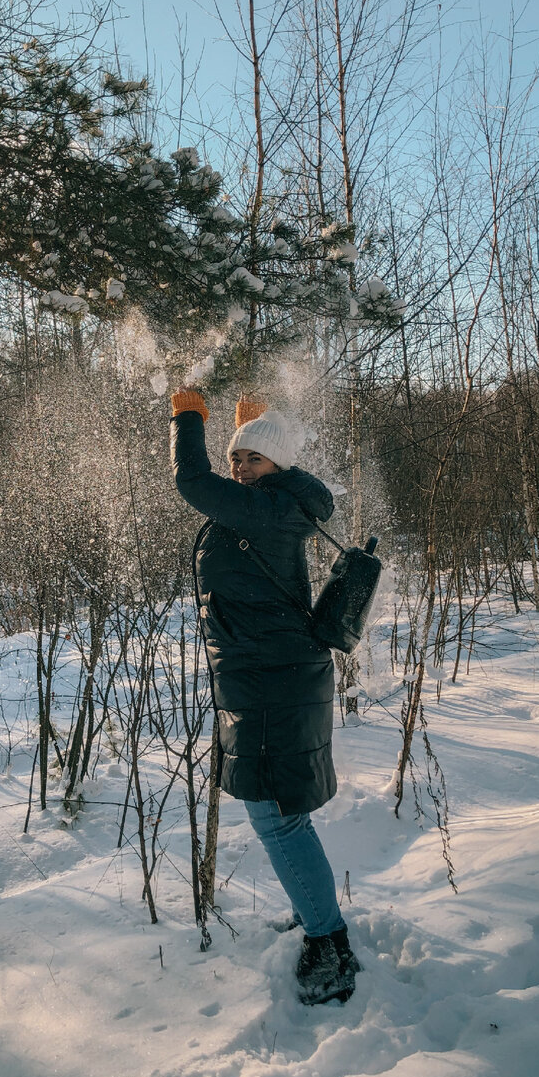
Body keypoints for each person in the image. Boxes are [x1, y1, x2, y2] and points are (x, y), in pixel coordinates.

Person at [169, 388, 361, 1006]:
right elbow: (229, 485)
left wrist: (189, 419)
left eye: (253, 458)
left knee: (276, 818)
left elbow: (193, 482)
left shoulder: (270, 510)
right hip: (268, 674)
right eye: (237, 459)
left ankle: (330, 943)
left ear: (279, 466)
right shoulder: (276, 505)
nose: (239, 468)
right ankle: (317, 916)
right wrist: (249, 432)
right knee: (281, 815)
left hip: (272, 678)